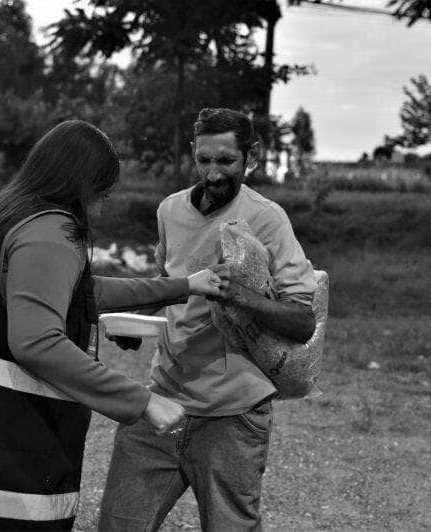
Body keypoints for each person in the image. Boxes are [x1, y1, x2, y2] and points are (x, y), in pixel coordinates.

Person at [0, 120, 222, 531]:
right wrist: (143, 402)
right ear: (82, 185)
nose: (102, 207)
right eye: (102, 194)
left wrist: (182, 286)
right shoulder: (49, 233)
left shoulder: (11, 217)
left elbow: (79, 291)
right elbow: (37, 342)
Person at [98, 108, 318, 531]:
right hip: (163, 399)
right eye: (204, 160)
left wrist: (241, 296)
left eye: (226, 162)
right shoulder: (170, 210)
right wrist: (133, 320)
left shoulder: (266, 218)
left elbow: (302, 321)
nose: (213, 174)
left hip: (233, 415)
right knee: (118, 524)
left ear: (249, 158)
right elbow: (168, 284)